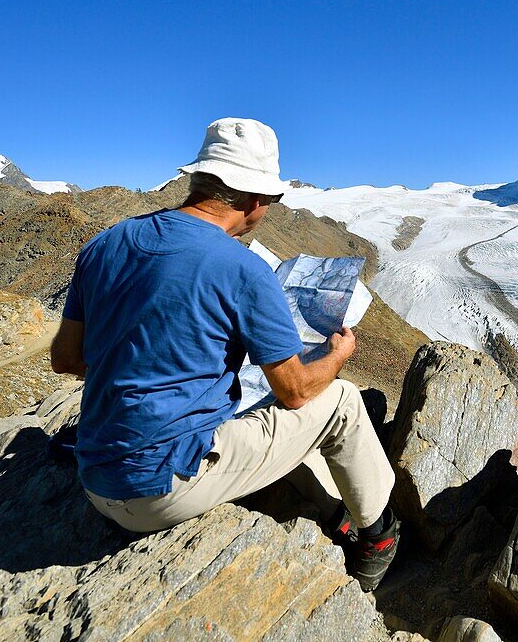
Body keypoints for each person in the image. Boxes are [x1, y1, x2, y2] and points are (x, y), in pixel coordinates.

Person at [50, 118, 400, 592]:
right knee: (341, 400)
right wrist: (338, 354)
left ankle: (330, 508)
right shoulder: (243, 269)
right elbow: (294, 391)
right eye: (272, 203)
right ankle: (379, 537)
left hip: (95, 477)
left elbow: (66, 360)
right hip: (162, 488)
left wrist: (139, 359)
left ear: (198, 179)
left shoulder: (105, 244)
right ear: (257, 200)